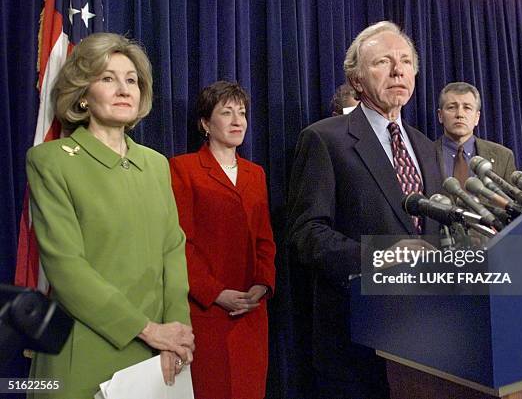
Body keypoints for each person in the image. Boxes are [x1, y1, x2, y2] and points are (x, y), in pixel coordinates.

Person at [25, 33, 194, 398]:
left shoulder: (155, 164)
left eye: (131, 80)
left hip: (157, 354)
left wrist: (176, 331)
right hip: (84, 348)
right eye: (107, 78)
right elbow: (66, 267)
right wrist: (147, 328)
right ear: (83, 94)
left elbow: (172, 250)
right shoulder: (50, 161)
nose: (123, 89)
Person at [287, 21, 442, 399]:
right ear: (356, 79)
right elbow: (307, 234)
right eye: (383, 62)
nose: (398, 70)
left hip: (430, 343)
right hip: (357, 344)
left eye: (405, 61)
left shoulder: (427, 148)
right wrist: (379, 258)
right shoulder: (325, 139)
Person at [169, 81, 276, 399]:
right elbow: (180, 243)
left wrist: (264, 284)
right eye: (226, 112)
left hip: (252, 312)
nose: (237, 121)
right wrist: (215, 293)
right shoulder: (183, 169)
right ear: (205, 123)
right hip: (209, 313)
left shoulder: (255, 173)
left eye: (241, 113)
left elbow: (265, 240)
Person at [435, 82, 517, 186]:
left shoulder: (503, 156)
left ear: (477, 117)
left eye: (467, 108)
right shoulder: (425, 153)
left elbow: (513, 200)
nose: (460, 114)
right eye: (452, 107)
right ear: (440, 116)